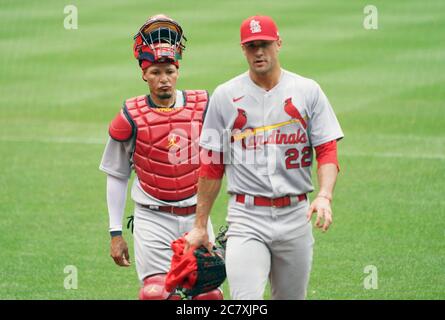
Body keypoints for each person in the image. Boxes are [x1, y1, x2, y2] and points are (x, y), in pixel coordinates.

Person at [185, 15, 344, 300]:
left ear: (278, 43)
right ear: (243, 49)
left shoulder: (308, 91)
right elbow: (211, 164)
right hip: (246, 217)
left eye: (265, 44)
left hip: (296, 215)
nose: (259, 52)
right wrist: (199, 225)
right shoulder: (225, 95)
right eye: (251, 46)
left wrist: (325, 195)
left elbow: (327, 148)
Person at [99, 14, 222, 300]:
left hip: (197, 215)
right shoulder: (130, 116)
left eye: (169, 71)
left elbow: (226, 158)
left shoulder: (205, 107)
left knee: (207, 296)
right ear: (144, 74)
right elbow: (117, 174)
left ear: (177, 70)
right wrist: (115, 234)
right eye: (155, 72)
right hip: (152, 218)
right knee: (155, 294)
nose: (163, 79)